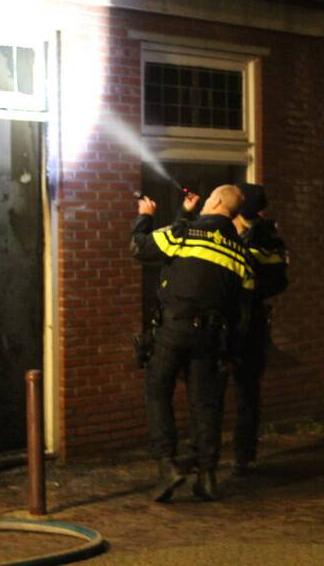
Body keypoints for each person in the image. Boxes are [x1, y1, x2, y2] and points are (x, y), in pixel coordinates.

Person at [131, 184, 254, 502]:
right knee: (204, 404)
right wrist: (232, 351)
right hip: (211, 337)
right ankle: (208, 477)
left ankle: (167, 466)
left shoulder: (184, 233)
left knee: (157, 391)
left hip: (173, 330)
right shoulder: (241, 253)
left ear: (214, 201)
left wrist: (146, 217)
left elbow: (140, 247)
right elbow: (244, 311)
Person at [222, 182, 288, 476]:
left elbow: (278, 280)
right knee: (233, 390)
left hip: (246, 322)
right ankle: (232, 454)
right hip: (235, 320)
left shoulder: (264, 237)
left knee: (245, 391)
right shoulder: (263, 235)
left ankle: (242, 454)